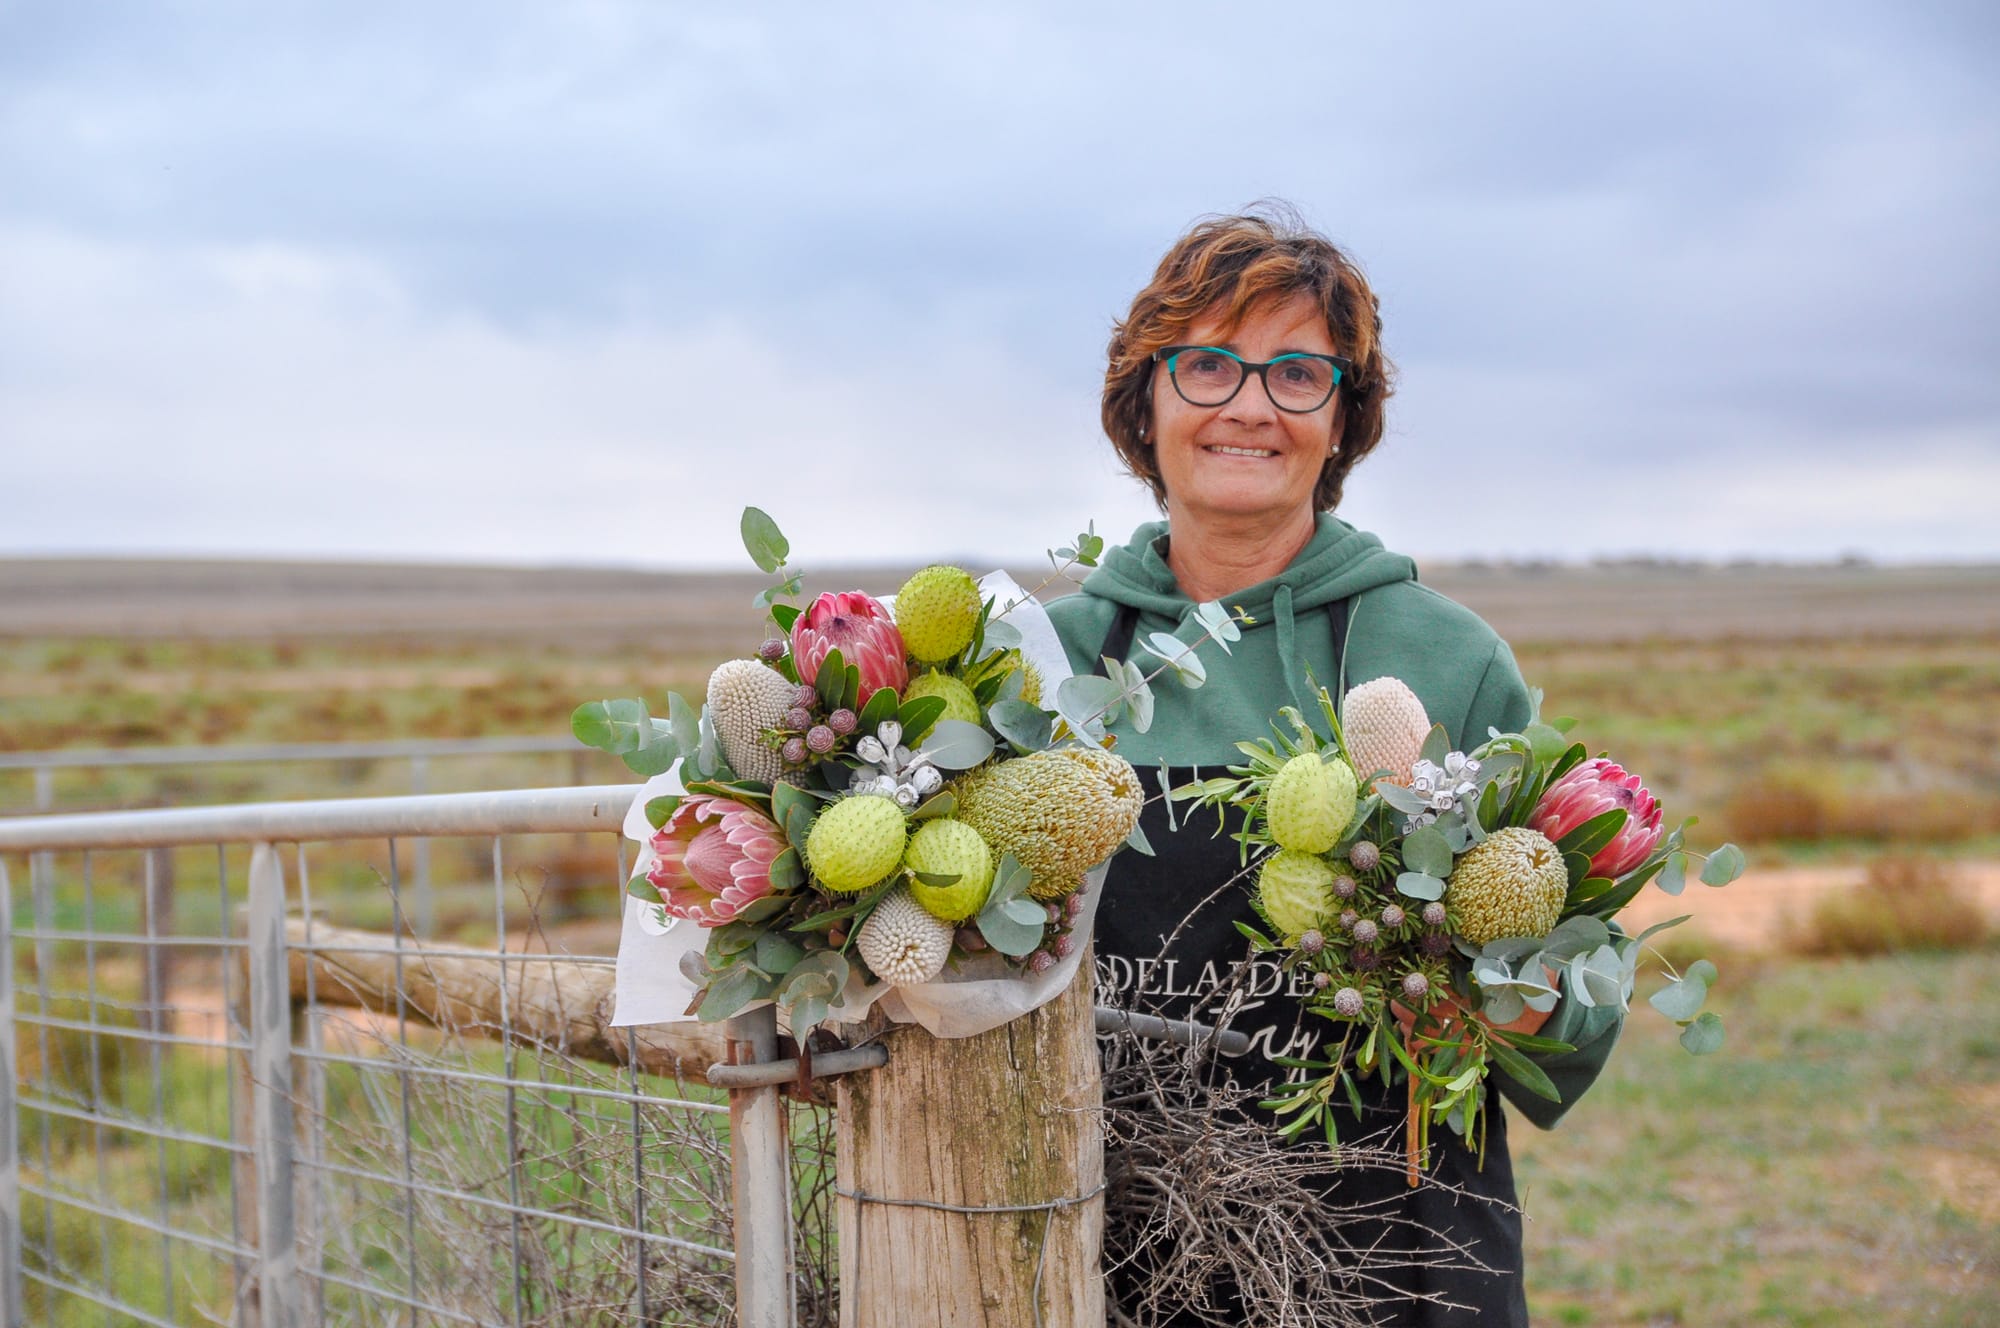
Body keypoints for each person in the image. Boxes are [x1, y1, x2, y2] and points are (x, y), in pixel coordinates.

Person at [1047, 207, 1622, 1326]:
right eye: (1207, 363)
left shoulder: (1446, 659)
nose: (1249, 405)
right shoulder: (1045, 664)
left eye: (1296, 372)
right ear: (1143, 398)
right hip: (1099, 1245)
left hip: (1394, 1254)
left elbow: (1569, 1008)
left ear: (1342, 416)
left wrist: (1524, 977)